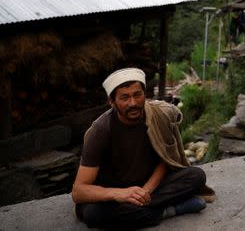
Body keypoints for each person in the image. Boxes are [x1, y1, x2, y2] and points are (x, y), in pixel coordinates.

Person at [72, 68, 213, 229]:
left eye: (137, 95)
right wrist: (121, 194)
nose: (133, 103)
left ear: (144, 94)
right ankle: (170, 210)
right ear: (112, 102)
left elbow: (164, 160)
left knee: (196, 176)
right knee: (92, 214)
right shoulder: (101, 131)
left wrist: (146, 190)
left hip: (149, 186)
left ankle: (139, 211)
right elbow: (79, 191)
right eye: (125, 97)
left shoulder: (158, 116)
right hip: (115, 192)